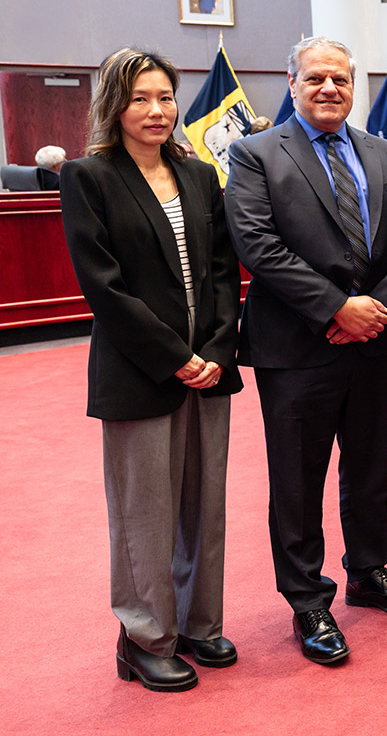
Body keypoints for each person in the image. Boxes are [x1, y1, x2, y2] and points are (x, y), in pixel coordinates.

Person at [224, 36, 387, 666]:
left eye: (341, 80)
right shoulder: (256, 154)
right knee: (297, 477)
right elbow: (257, 245)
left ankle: (370, 573)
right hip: (295, 345)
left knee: (370, 467)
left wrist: (378, 310)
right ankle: (308, 600)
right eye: (316, 78)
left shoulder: (386, 153)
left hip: (374, 340)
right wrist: (335, 307)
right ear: (291, 83)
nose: (329, 89)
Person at [60, 48, 243, 692]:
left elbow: (223, 272)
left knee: (204, 504)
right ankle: (144, 637)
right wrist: (176, 358)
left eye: (165, 97)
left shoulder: (199, 176)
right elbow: (103, 287)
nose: (156, 110)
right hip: (141, 371)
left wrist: (218, 351)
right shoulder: (89, 176)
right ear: (115, 105)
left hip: (209, 369)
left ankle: (198, 622)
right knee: (145, 511)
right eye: (140, 98)